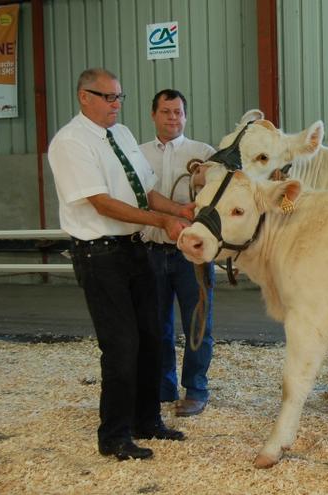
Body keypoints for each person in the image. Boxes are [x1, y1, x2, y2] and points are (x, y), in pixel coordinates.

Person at [48, 68, 191, 461]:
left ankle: (147, 420)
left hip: (134, 248)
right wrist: (163, 222)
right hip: (100, 255)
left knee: (151, 339)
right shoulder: (70, 142)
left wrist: (180, 210)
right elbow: (102, 203)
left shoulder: (122, 135)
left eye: (119, 97)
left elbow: (144, 192)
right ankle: (114, 435)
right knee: (121, 346)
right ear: (83, 97)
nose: (115, 104)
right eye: (108, 97)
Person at [140, 89, 216, 417]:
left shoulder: (206, 154)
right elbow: (137, 199)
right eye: (167, 111)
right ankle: (163, 387)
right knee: (156, 325)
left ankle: (197, 389)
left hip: (193, 256)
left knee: (198, 323)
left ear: (185, 116)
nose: (173, 117)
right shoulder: (138, 155)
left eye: (179, 112)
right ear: (154, 115)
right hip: (150, 251)